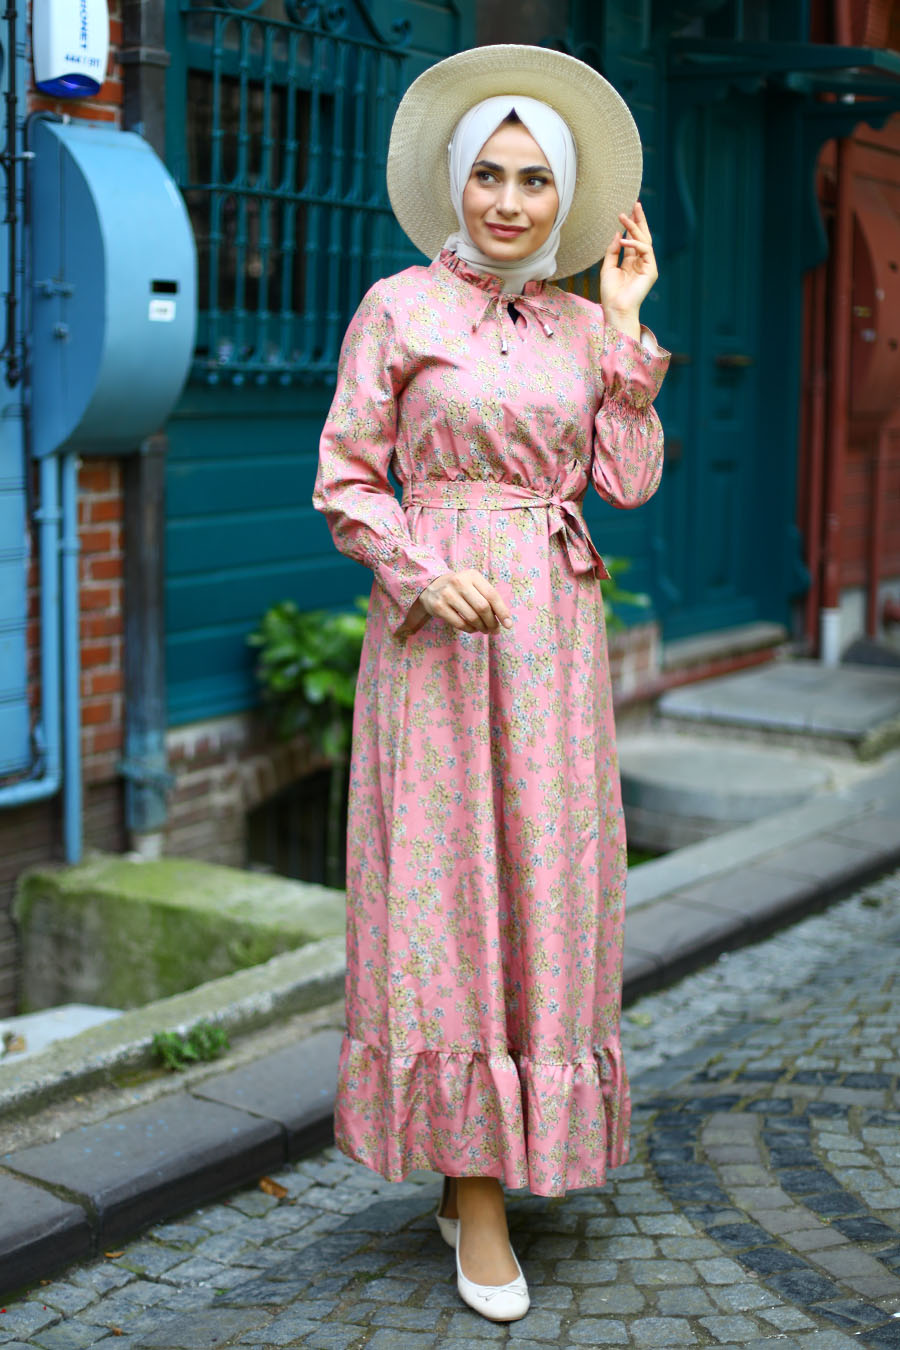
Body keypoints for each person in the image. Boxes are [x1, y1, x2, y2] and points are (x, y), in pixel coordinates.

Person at [313, 43, 670, 1324]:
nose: (509, 202)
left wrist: (627, 324)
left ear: (562, 199)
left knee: (550, 886)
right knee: (448, 889)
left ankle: (524, 1132)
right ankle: (472, 1192)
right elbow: (348, 480)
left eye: (533, 181)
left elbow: (625, 482)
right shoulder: (398, 308)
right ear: (456, 186)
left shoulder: (583, 326)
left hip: (555, 647)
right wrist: (420, 570)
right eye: (489, 177)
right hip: (437, 642)